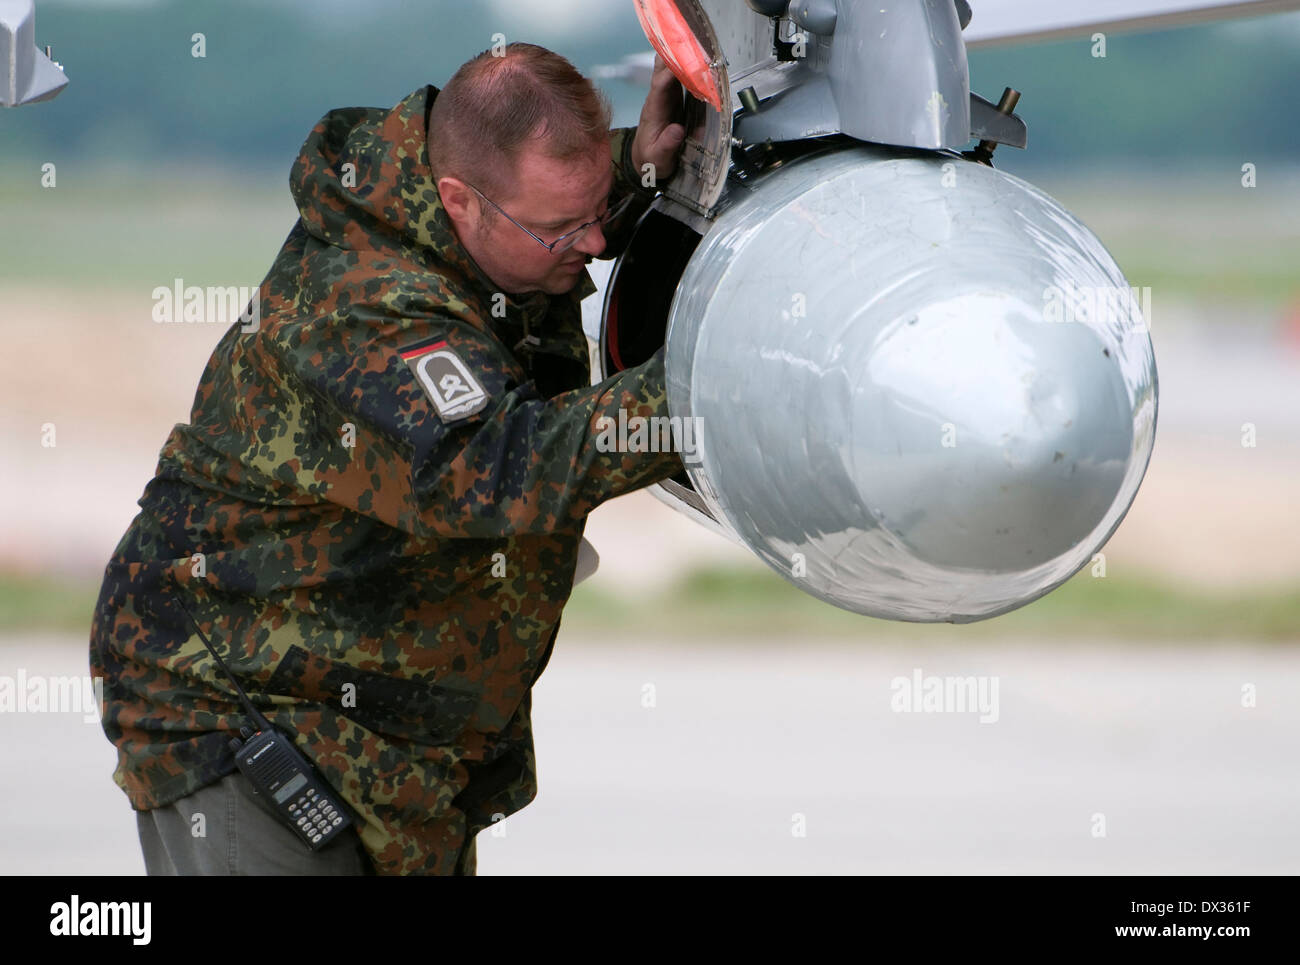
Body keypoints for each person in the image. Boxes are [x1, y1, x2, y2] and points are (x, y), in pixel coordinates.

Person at [89, 42, 689, 875]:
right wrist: (707, 376)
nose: (591, 242)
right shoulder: (367, 301)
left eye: (593, 213)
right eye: (561, 231)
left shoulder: (464, 219)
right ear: (459, 201)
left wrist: (638, 168)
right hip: (242, 712)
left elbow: (548, 209)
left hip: (388, 744)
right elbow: (493, 466)